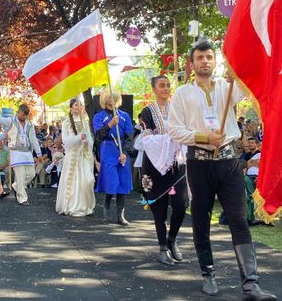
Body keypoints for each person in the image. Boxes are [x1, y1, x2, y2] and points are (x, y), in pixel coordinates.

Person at [168, 41, 275, 299]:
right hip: (199, 163)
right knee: (202, 218)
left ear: (215, 62)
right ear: (192, 64)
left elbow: (254, 80)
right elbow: (174, 130)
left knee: (238, 218)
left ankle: (251, 284)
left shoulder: (229, 89)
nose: (205, 61)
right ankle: (208, 274)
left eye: (209, 57)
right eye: (200, 57)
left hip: (229, 163)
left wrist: (238, 72)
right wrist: (205, 138)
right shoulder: (182, 94)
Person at [136, 75, 188, 265]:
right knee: (158, 207)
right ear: (154, 89)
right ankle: (162, 247)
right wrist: (170, 139)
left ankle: (172, 239)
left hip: (177, 163)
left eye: (168, 85)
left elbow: (186, 130)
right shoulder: (147, 112)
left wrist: (178, 137)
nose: (166, 88)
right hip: (154, 164)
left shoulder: (179, 109)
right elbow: (147, 139)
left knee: (182, 204)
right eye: (161, 85)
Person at [93, 89, 134, 226]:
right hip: (108, 149)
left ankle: (120, 215)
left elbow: (129, 136)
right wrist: (110, 124)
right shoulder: (99, 117)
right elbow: (98, 136)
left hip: (122, 150)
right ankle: (107, 202)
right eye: (110, 97)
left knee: (122, 182)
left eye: (115, 97)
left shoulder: (125, 116)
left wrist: (125, 153)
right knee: (112, 180)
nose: (113, 99)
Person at [0, 104, 42, 206]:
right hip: (16, 152)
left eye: (26, 115)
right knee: (20, 176)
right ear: (18, 112)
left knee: (31, 174)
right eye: (23, 115)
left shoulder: (29, 125)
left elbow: (33, 139)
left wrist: (39, 153)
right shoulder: (11, 120)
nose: (24, 117)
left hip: (27, 153)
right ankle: (22, 198)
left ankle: (16, 186)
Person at [55, 97, 95, 217]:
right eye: (76, 105)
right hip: (72, 156)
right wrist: (78, 138)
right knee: (72, 182)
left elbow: (90, 139)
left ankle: (83, 205)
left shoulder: (84, 122)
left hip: (82, 156)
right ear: (71, 108)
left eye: (80, 104)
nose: (78, 107)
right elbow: (66, 141)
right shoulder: (66, 123)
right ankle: (71, 205)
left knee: (86, 180)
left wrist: (87, 141)